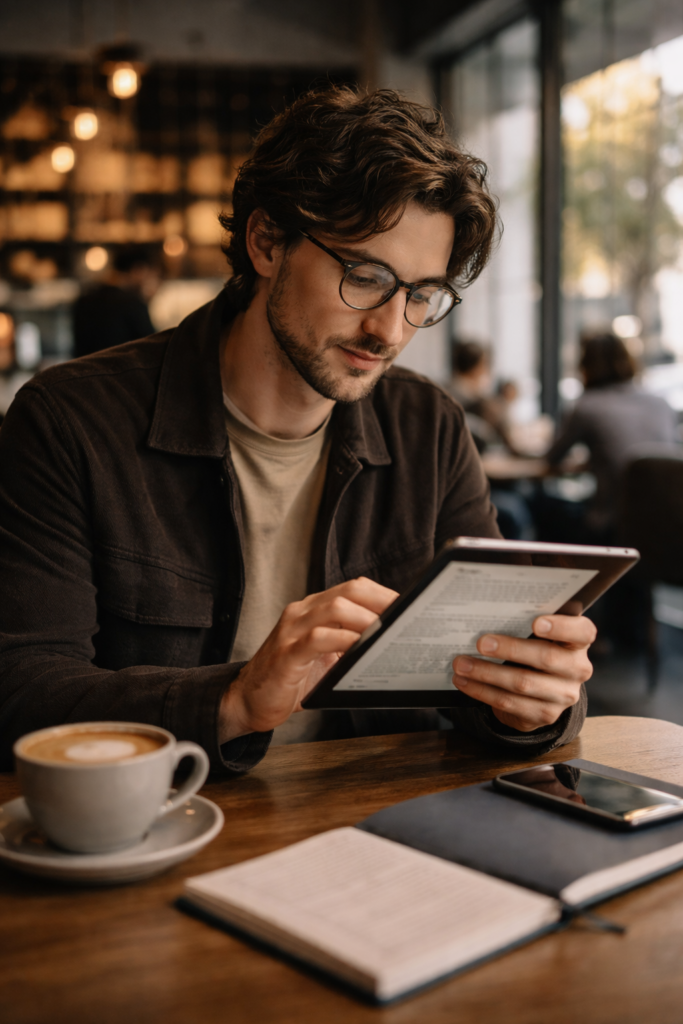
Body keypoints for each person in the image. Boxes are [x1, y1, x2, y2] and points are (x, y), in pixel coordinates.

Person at [0, 87, 595, 773]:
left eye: (420, 295)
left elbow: (494, 668)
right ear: (267, 242)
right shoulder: (70, 420)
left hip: (370, 824)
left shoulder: (425, 425)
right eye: (366, 276)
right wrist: (235, 699)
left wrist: (534, 701)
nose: (390, 328)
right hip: (163, 829)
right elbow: (21, 688)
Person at [545, 331, 678, 540]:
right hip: (672, 522)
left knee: (543, 507)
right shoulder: (661, 403)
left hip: (612, 524)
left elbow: (552, 458)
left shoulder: (587, 406)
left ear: (585, 366)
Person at [72, 246, 159, 357]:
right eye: (148, 274)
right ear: (137, 269)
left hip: (83, 372)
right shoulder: (133, 303)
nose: (147, 280)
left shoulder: (84, 300)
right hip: (120, 372)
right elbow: (152, 348)